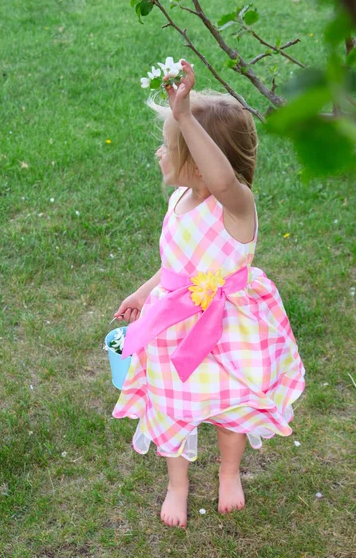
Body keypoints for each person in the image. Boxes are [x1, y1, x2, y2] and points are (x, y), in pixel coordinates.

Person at [112, 60, 305, 529]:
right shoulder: (181, 200)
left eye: (169, 145)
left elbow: (222, 181)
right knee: (173, 403)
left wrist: (185, 118)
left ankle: (229, 471)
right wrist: (143, 292)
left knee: (230, 406)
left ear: (199, 160)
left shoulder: (235, 207)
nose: (160, 152)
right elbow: (174, 265)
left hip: (229, 327)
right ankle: (177, 484)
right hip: (175, 324)